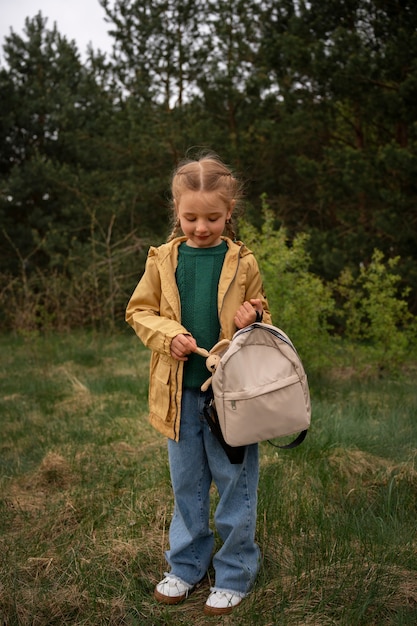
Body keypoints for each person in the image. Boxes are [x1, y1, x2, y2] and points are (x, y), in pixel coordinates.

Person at [125, 152, 271, 616]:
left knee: (235, 483)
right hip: (179, 395)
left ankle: (235, 572)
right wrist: (168, 334)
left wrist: (256, 316)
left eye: (212, 217)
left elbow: (261, 318)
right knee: (187, 484)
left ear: (229, 213)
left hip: (232, 398)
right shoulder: (163, 259)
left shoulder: (242, 261)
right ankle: (186, 565)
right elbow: (139, 311)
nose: (201, 227)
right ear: (177, 212)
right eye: (191, 217)